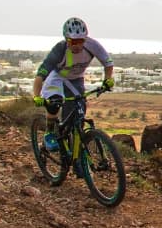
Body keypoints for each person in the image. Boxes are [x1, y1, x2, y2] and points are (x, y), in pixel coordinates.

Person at [33, 17, 115, 152]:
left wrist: (107, 80)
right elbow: (40, 75)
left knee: (79, 114)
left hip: (76, 79)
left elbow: (108, 63)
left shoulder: (92, 45)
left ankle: (75, 146)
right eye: (73, 41)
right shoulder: (59, 49)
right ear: (66, 39)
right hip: (57, 78)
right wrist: (37, 96)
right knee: (54, 103)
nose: (77, 45)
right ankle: (50, 133)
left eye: (80, 41)